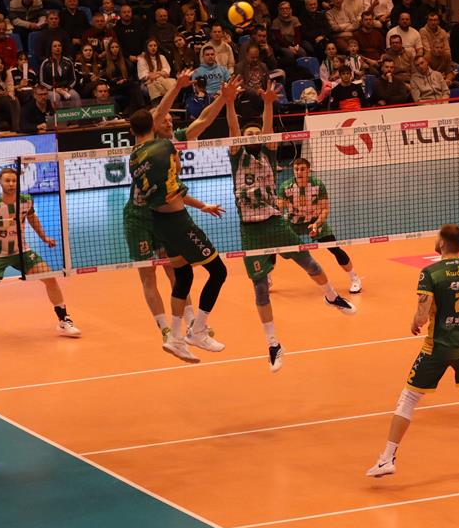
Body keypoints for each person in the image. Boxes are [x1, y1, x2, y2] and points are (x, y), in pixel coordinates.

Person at [225, 83, 356, 371]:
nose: (253, 136)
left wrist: (268, 104)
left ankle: (332, 297)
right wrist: (229, 103)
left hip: (275, 223)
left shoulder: (269, 154)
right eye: (249, 134)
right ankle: (273, 344)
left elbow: (269, 131)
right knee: (261, 289)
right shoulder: (237, 156)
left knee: (311, 264)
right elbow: (234, 131)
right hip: (250, 231)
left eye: (257, 133)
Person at [366, 224, 459, 478]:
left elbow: (423, 316)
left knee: (408, 398)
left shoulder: (430, 273)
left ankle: (387, 458)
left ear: (442, 243)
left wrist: (415, 320)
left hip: (438, 347)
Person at [125, 73, 235, 360]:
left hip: (163, 215)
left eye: (170, 119)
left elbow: (204, 120)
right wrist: (176, 86)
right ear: (152, 124)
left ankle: (181, 333)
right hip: (147, 216)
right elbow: (159, 112)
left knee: (181, 273)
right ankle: (181, 331)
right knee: (212, 272)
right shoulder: (152, 147)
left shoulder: (171, 142)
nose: (169, 121)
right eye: (163, 119)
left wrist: (224, 100)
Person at [0, 168, 79, 336]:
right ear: (0, 182)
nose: (11, 184)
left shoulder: (26, 201)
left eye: (14, 181)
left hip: (21, 250)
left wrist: (44, 237)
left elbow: (32, 219)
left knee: (50, 278)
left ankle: (63, 320)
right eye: (7, 181)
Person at [278, 156, 362, 295]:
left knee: (334, 248)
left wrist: (317, 224)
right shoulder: (285, 187)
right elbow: (279, 210)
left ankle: (355, 278)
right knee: (271, 247)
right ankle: (267, 278)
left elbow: (324, 210)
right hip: (293, 222)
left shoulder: (318, 185)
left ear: (308, 170)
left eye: (302, 169)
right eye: (296, 169)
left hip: (315, 221)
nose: (299, 172)